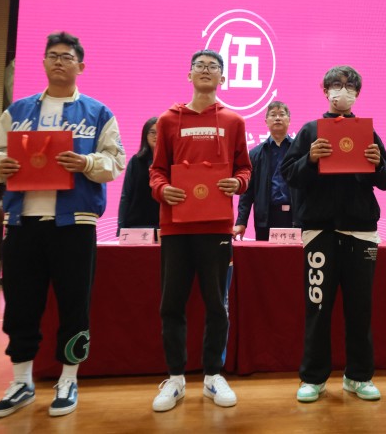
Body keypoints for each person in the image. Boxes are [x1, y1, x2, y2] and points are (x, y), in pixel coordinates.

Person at [0, 32, 125, 418]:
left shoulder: (98, 112)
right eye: (52, 56)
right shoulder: (18, 111)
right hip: (22, 223)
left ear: (81, 66)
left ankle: (68, 379)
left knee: (74, 303)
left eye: (67, 56)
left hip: (74, 225)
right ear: (44, 63)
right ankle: (21, 381)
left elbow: (115, 162)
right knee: (20, 304)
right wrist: (1, 165)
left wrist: (86, 163)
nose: (59, 61)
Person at [281, 65, 386, 403]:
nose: (342, 91)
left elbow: (385, 180)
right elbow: (289, 175)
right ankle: (313, 378)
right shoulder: (309, 130)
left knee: (360, 309)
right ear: (325, 89)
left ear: (357, 93)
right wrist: (310, 159)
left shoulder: (367, 132)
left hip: (361, 233)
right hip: (321, 233)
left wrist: (377, 164)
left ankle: (358, 376)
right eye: (336, 85)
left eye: (349, 86)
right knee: (317, 307)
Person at [149, 49, 251, 412]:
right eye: (200, 66)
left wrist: (237, 184)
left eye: (213, 67)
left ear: (223, 77)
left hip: (217, 226)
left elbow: (244, 169)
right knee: (171, 304)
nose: (206, 70)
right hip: (175, 227)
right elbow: (157, 170)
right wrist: (163, 190)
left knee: (216, 305)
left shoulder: (234, 120)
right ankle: (175, 378)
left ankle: (212, 376)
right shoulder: (167, 119)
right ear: (189, 74)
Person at [233, 101, 298, 241]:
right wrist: (241, 222)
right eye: (273, 115)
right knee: (265, 254)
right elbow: (247, 193)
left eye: (282, 114)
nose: (277, 118)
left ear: (289, 120)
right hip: (266, 218)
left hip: (294, 217)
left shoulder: (299, 151)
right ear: (266, 121)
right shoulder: (255, 154)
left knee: (293, 255)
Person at [117, 117, 159, 236]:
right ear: (145, 135)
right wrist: (121, 227)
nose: (156, 136)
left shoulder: (172, 161)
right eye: (152, 132)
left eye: (160, 132)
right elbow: (126, 195)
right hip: (136, 226)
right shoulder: (136, 161)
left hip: (164, 226)